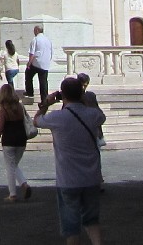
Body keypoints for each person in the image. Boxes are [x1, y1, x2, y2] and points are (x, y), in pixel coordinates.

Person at [36, 76, 107, 244]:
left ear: (63, 95)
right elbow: (101, 116)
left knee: (71, 225)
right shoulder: (92, 115)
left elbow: (36, 120)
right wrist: (84, 99)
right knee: (92, 220)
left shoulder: (56, 117)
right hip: (91, 177)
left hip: (67, 179)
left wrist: (46, 103)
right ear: (81, 93)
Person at [0, 84, 33, 202]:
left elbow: (0, 128)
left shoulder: (4, 109)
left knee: (10, 167)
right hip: (21, 139)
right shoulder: (20, 106)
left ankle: (13, 193)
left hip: (9, 140)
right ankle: (24, 185)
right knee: (13, 165)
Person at [26, 25, 54, 102]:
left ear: (37, 30)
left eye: (34, 30)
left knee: (28, 75)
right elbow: (51, 52)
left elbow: (32, 53)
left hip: (36, 62)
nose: (34, 32)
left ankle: (30, 92)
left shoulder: (35, 39)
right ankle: (44, 99)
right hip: (45, 63)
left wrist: (29, 63)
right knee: (43, 81)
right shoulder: (48, 40)